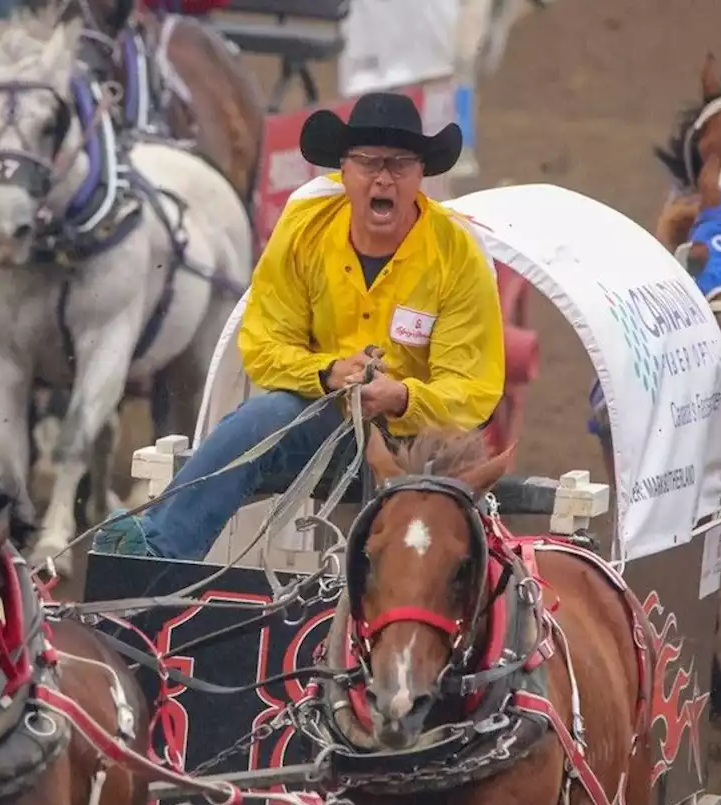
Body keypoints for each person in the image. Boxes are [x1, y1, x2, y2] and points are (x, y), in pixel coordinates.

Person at [93, 91, 505, 561]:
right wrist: (328, 373)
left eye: (400, 164)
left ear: (420, 176)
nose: (383, 177)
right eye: (369, 162)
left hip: (422, 440)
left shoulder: (458, 255)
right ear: (344, 172)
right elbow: (265, 341)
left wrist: (402, 397)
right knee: (260, 421)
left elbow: (472, 390)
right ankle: (159, 552)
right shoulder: (306, 227)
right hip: (326, 415)